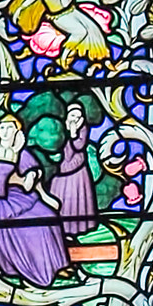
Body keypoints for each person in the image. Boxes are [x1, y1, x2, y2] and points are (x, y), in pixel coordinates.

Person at [0, 113, 69, 287]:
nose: (6, 131)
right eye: (2, 127)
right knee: (19, 227)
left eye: (10, 127)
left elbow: (31, 170)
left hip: (13, 197)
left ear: (17, 131)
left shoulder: (19, 152)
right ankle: (23, 268)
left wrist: (31, 176)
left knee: (47, 216)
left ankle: (58, 265)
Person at [50, 100, 99, 243]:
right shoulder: (59, 128)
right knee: (60, 199)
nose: (75, 119)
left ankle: (76, 230)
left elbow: (78, 146)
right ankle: (60, 229)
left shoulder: (82, 130)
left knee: (78, 201)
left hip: (77, 173)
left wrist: (73, 133)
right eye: (72, 116)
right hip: (61, 172)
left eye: (78, 117)